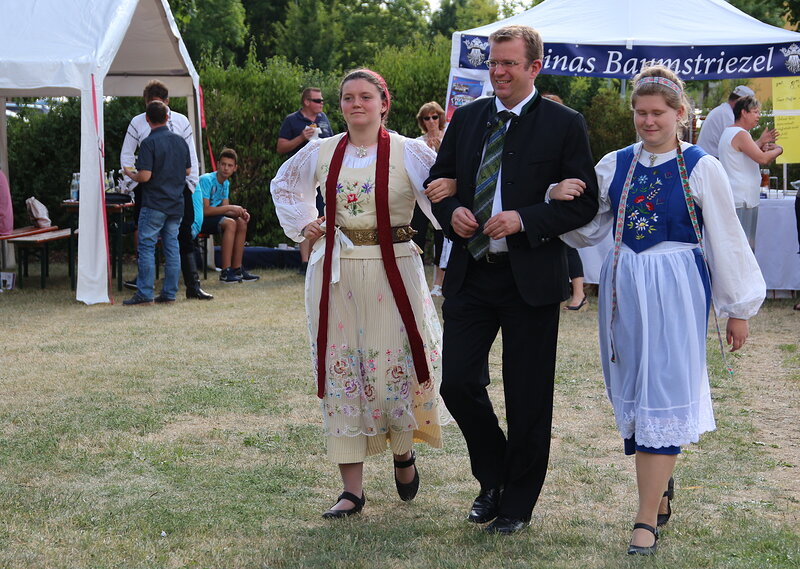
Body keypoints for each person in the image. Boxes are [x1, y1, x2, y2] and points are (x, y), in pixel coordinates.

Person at [552, 65, 766, 555]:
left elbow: (727, 238)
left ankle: (644, 518)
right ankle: (659, 487)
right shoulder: (615, 164)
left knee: (664, 388)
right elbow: (589, 229)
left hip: (676, 285)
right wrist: (556, 196)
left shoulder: (700, 165)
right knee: (631, 388)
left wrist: (738, 308)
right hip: (625, 284)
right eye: (641, 113)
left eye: (658, 113)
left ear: (679, 114)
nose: (648, 122)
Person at [426, 25, 599, 535]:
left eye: (508, 64)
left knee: (527, 397)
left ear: (533, 68)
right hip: (471, 274)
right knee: (457, 383)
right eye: (493, 63)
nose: (497, 72)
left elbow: (585, 204)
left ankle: (517, 504)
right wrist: (453, 211)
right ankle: (494, 476)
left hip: (530, 279)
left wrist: (525, 219)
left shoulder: (565, 124)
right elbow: (441, 183)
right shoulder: (469, 117)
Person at [270, 69, 452, 519]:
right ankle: (352, 490)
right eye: (348, 98)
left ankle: (403, 451)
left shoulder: (410, 152)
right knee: (343, 368)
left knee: (395, 364)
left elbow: (444, 205)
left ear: (383, 102)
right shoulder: (321, 150)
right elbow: (283, 185)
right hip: (336, 274)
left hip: (395, 271)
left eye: (365, 97)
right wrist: (306, 226)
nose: (356, 104)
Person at [120, 79, 212, 300]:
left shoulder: (165, 132)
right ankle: (168, 292)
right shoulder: (144, 127)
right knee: (169, 243)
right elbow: (189, 164)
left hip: (164, 194)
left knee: (155, 242)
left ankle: (164, 290)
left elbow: (187, 163)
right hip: (169, 194)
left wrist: (133, 177)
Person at [123, 101, 191, 306]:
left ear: (147, 119)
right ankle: (169, 294)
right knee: (172, 247)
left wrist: (129, 173)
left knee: (146, 247)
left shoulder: (148, 143)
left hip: (154, 203)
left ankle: (144, 294)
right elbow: (188, 171)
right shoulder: (180, 142)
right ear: (167, 117)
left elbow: (145, 176)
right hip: (176, 203)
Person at [277, 87, 335, 275]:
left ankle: (319, 259)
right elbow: (281, 147)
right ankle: (304, 263)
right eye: (317, 100)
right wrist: (302, 137)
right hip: (301, 180)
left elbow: (333, 143)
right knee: (305, 217)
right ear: (306, 102)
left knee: (322, 216)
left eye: (322, 100)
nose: (321, 103)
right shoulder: (292, 120)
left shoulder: (323, 119)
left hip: (323, 176)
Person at [718, 95, 783, 250]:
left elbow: (744, 153)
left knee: (739, 247)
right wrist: (779, 150)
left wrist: (760, 142)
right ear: (744, 113)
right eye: (755, 111)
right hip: (743, 199)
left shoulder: (730, 132)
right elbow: (762, 158)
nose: (758, 116)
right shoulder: (741, 134)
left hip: (738, 197)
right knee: (744, 249)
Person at [542, 92, 588, 310]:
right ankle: (574, 293)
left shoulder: (567, 133)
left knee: (567, 247)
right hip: (544, 206)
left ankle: (578, 293)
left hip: (562, 205)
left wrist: (558, 191)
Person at [198, 148, 258, 284]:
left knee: (241, 221)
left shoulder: (226, 183)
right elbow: (205, 210)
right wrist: (231, 208)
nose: (226, 168)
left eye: (230, 165)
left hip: (212, 218)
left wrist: (240, 212)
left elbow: (225, 210)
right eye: (223, 164)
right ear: (218, 164)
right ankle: (225, 273)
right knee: (230, 223)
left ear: (235, 168)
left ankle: (236, 269)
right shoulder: (207, 180)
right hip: (199, 219)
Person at [412, 101, 447, 296]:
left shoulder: (449, 137)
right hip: (421, 194)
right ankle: (416, 281)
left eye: (435, 117)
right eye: (427, 118)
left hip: (442, 195)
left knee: (442, 238)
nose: (432, 121)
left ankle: (438, 284)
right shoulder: (417, 142)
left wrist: (440, 147)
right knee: (417, 235)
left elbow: (452, 164)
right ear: (422, 121)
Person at [696, 85, 777, 158]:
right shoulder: (728, 115)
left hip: (711, 158)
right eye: (754, 110)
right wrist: (776, 148)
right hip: (712, 160)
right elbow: (743, 148)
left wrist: (760, 144)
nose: (758, 115)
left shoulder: (725, 111)